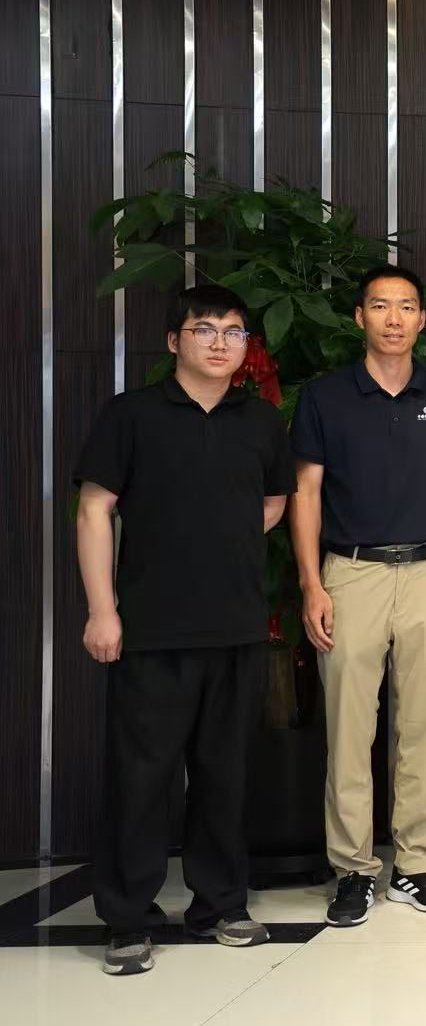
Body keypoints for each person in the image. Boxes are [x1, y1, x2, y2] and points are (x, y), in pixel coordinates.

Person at [76, 285, 295, 975]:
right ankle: (128, 918)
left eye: (233, 332)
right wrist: (103, 610)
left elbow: (273, 503)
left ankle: (220, 905)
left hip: (235, 627)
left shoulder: (261, 420)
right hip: (150, 629)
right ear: (175, 341)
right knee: (141, 780)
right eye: (205, 330)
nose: (220, 343)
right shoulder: (132, 415)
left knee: (225, 776)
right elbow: (93, 510)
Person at [290, 264, 426, 928]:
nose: (394, 318)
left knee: (424, 725)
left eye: (406, 307)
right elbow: (306, 492)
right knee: (350, 727)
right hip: (351, 573)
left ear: (422, 320)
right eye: (380, 306)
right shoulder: (326, 397)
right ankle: (352, 868)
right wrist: (312, 583)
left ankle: (415, 864)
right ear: (359, 317)